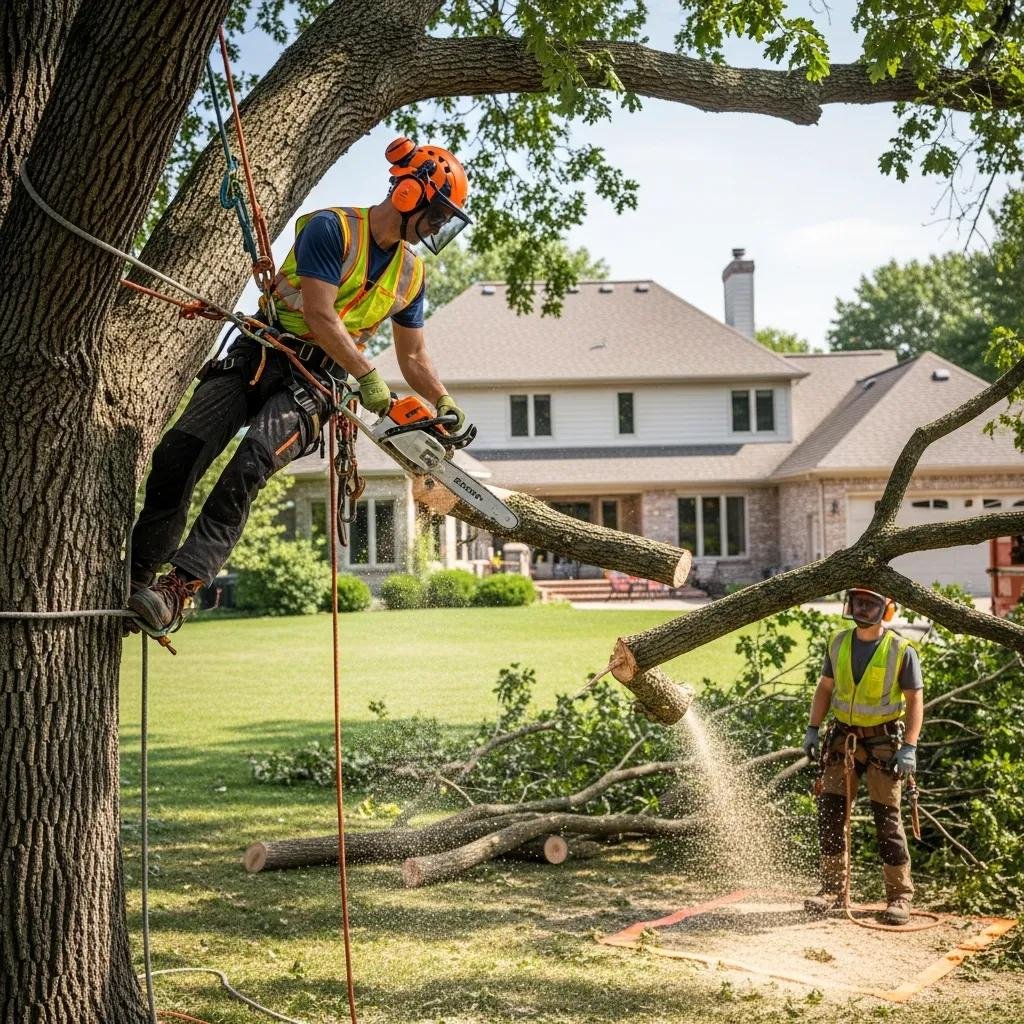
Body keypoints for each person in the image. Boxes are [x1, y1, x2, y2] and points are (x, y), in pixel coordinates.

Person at [127, 137, 471, 633]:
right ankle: (137, 580)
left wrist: (441, 399)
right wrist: (369, 377)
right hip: (261, 352)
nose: (438, 227)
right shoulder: (332, 229)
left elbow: (413, 354)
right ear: (408, 194)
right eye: (436, 214)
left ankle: (177, 589)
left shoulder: (411, 274)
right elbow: (318, 313)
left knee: (252, 462)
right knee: (179, 454)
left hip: (316, 383)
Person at [801, 587, 923, 925]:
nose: (863, 609)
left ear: (887, 610)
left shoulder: (901, 650)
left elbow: (914, 701)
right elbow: (825, 688)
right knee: (830, 814)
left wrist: (909, 747)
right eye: (858, 602)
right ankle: (831, 889)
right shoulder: (838, 642)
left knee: (887, 820)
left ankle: (899, 896)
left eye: (871, 604)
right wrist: (813, 728)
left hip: (885, 742)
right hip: (842, 739)